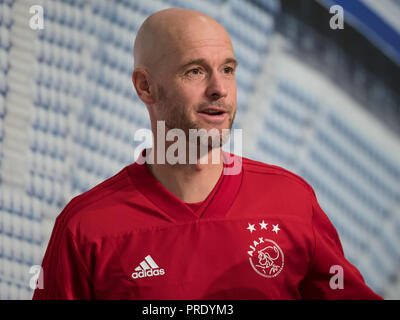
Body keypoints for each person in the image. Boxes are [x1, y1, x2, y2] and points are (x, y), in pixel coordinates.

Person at [33, 8, 382, 300]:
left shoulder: (292, 202)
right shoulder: (86, 229)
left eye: (227, 70)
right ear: (145, 86)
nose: (219, 89)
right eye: (195, 71)